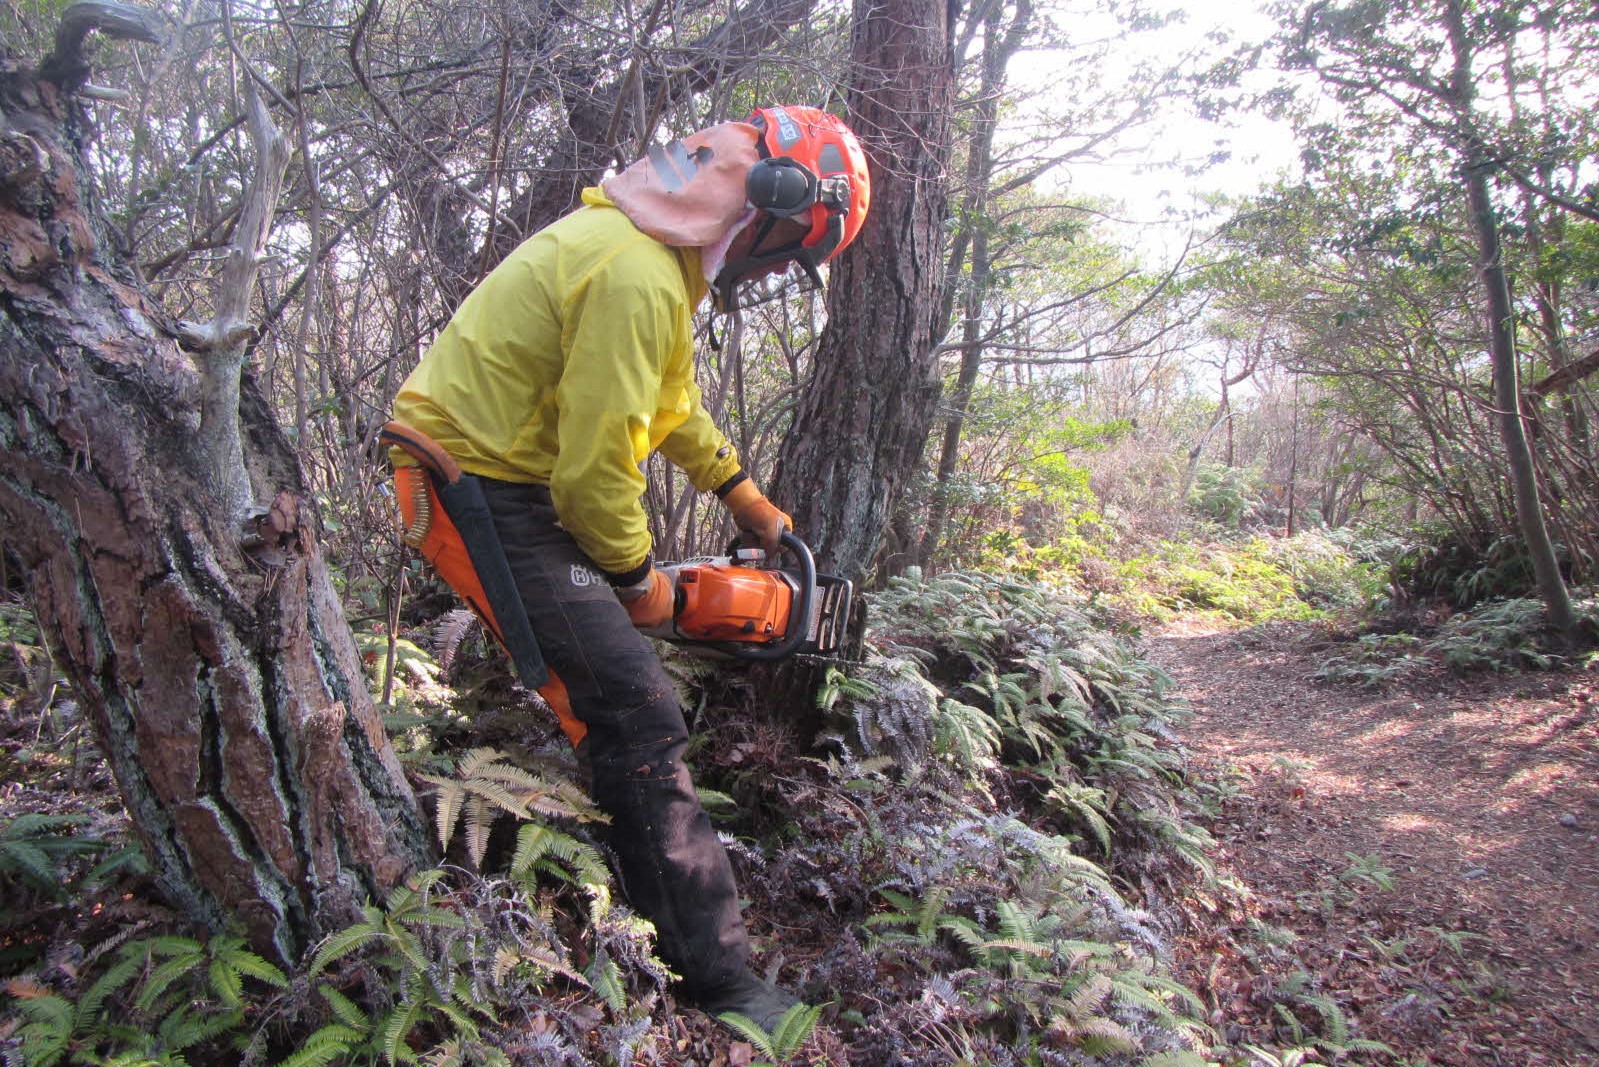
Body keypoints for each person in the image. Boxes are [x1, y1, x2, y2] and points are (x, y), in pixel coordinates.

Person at [385, 106, 871, 1027]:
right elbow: (593, 476)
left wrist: (742, 495)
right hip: (474, 484)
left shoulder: (653, 255)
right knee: (634, 711)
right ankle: (718, 981)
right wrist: (639, 583)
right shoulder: (637, 274)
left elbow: (669, 401)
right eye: (791, 249)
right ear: (764, 204)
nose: (776, 269)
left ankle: (608, 865)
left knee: (615, 693)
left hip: (508, 477)